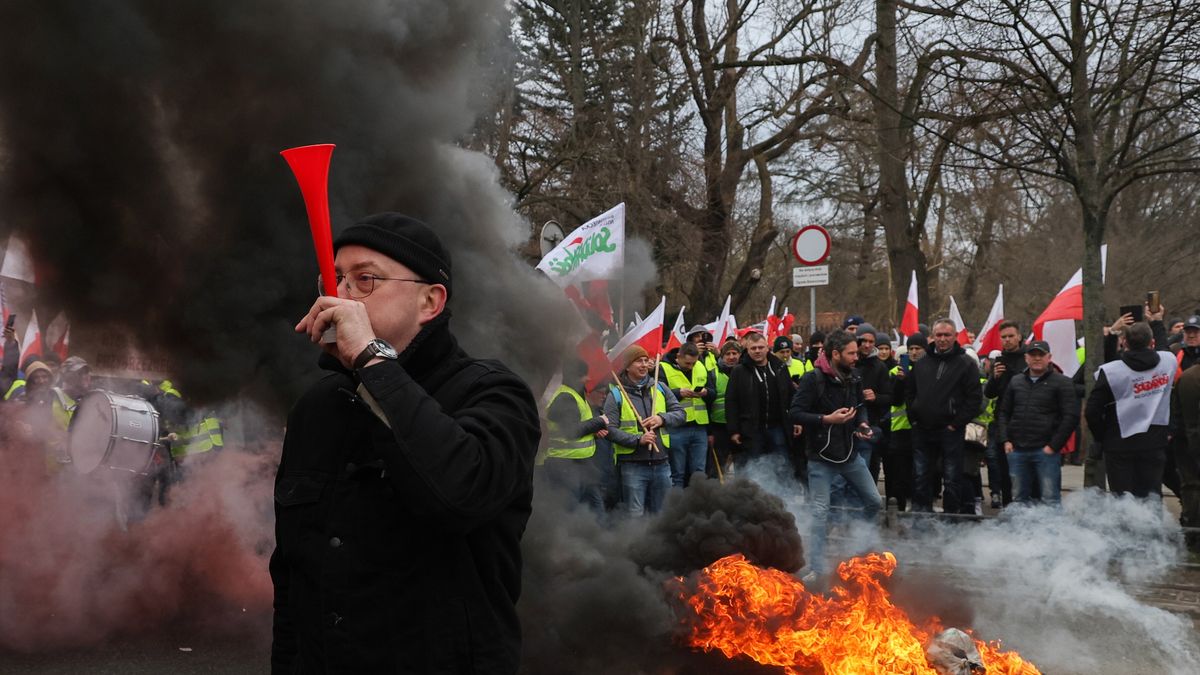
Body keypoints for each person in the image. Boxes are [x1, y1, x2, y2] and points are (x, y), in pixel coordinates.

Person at [271, 213, 541, 674]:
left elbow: (460, 494)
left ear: (430, 302)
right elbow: (293, 575)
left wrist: (374, 364)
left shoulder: (494, 392)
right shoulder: (316, 406)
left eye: (365, 279)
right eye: (333, 279)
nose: (340, 294)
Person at [789, 329, 881, 580]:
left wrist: (862, 424)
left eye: (856, 353)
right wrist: (825, 419)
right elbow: (795, 413)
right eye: (851, 353)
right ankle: (817, 568)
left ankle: (858, 548)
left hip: (851, 455)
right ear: (835, 354)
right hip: (821, 459)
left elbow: (860, 408)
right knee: (820, 513)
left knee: (875, 502)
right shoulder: (813, 379)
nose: (856, 357)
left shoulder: (855, 377)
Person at [1085, 321, 1176, 499]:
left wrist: (1102, 436)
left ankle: (1126, 527)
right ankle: (1153, 527)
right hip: (1154, 441)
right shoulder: (1168, 361)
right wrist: (1157, 320)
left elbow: (1092, 411)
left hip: (1119, 442)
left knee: (1123, 501)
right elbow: (1164, 347)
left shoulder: (1111, 371)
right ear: (1152, 343)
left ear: (1125, 343)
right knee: (1151, 498)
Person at [905, 319, 983, 514]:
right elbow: (910, 392)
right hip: (922, 430)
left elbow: (974, 400)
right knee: (921, 476)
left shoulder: (966, 364)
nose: (942, 339)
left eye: (947, 335)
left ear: (955, 336)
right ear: (932, 337)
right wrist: (913, 418)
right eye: (938, 335)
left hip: (951, 431)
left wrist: (956, 424)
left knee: (951, 477)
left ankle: (950, 520)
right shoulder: (922, 361)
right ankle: (921, 518)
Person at [995, 341, 1079, 506]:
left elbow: (1070, 417)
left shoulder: (1062, 382)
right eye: (1033, 355)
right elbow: (1004, 412)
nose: (1037, 358)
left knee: (1050, 500)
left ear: (1049, 357)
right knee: (1019, 499)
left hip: (1046, 452)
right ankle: (1020, 531)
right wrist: (1006, 440)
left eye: (1041, 355)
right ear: (1026, 358)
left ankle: (1048, 532)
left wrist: (1053, 446)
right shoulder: (1016, 381)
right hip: (1017, 451)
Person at [603, 345, 685, 516]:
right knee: (635, 514)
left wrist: (662, 419)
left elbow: (680, 414)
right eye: (638, 361)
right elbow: (609, 430)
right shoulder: (616, 394)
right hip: (632, 466)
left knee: (662, 514)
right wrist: (637, 440)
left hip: (662, 462)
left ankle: (660, 544)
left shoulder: (660, 387)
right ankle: (637, 543)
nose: (644, 365)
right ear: (627, 366)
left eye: (646, 361)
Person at [540, 358, 610, 511]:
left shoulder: (576, 394)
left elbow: (579, 426)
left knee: (594, 507)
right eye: (583, 375)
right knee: (570, 511)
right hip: (565, 465)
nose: (588, 378)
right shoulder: (565, 397)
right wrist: (599, 421)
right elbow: (572, 431)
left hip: (580, 464)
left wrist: (593, 431)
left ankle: (594, 534)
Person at [726, 331, 801, 472]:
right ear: (747, 350)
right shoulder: (739, 371)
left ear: (767, 348)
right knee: (754, 469)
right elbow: (731, 402)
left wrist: (796, 420)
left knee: (782, 467)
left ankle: (783, 494)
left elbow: (791, 396)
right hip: (752, 430)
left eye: (760, 347)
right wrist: (734, 430)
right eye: (753, 348)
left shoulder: (780, 368)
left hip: (778, 427)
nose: (757, 351)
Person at [659, 341, 714, 487]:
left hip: (699, 427)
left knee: (699, 473)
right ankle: (677, 506)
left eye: (693, 363)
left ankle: (697, 506)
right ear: (678, 356)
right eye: (687, 363)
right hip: (676, 428)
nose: (691, 367)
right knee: (677, 473)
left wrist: (705, 392)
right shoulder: (663, 368)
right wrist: (679, 393)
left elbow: (713, 393)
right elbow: (658, 396)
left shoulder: (700, 366)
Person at [982, 320, 1025, 508]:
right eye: (1004, 337)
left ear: (1019, 337)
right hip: (1003, 422)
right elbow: (990, 393)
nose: (1007, 340)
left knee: (1023, 472)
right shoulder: (999, 361)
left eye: (1011, 336)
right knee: (1004, 471)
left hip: (1024, 420)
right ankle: (1008, 508)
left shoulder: (1028, 358)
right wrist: (995, 376)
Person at [708, 341, 741, 477]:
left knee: (742, 463)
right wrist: (709, 431)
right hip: (719, 426)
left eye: (735, 353)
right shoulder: (712, 373)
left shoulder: (745, 371)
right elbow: (708, 404)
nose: (731, 357)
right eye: (728, 354)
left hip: (740, 425)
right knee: (717, 466)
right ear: (722, 356)